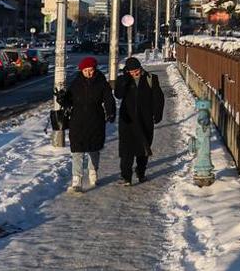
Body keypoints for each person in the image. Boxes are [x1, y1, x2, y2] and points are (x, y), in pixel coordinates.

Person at [57, 56, 114, 192]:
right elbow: (68, 102)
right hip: (77, 121)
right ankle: (76, 180)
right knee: (77, 150)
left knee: (94, 149)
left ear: (95, 69)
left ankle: (93, 172)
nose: (89, 73)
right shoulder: (75, 83)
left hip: (95, 120)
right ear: (81, 70)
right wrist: (61, 98)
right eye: (86, 70)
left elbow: (109, 99)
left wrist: (110, 112)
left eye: (91, 70)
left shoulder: (101, 82)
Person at [114, 56, 164, 186]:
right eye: (132, 71)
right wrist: (125, 81)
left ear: (140, 68)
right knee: (127, 150)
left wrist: (158, 113)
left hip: (145, 119)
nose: (135, 73)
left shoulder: (150, 78)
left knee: (143, 148)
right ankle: (126, 177)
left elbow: (158, 97)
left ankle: (141, 173)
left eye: (137, 70)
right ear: (127, 70)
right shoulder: (123, 79)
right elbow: (118, 95)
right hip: (127, 120)